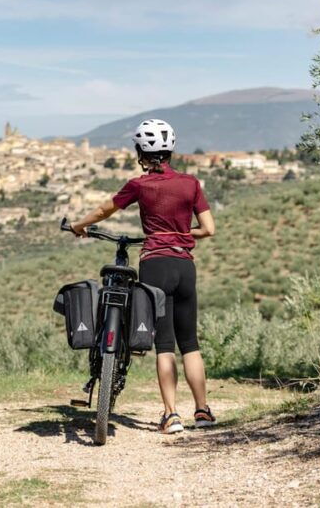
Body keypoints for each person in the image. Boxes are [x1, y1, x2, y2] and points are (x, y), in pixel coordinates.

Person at [70, 119, 216, 434]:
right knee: (190, 343)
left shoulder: (140, 185)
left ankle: (171, 415)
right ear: (170, 151)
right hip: (184, 266)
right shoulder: (191, 183)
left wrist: (79, 226)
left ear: (141, 152)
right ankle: (202, 411)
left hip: (155, 265)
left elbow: (102, 211)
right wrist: (179, 234)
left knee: (164, 345)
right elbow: (209, 229)